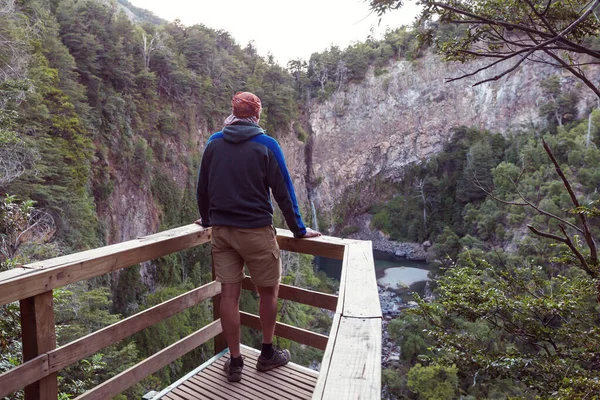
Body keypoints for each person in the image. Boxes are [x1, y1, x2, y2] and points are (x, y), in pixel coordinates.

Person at [196, 91, 321, 382]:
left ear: (234, 113)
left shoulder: (214, 142)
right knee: (268, 291)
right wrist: (299, 230)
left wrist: (206, 219)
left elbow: (203, 187)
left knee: (229, 294)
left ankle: (236, 361)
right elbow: (284, 192)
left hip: (222, 231)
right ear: (257, 114)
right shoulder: (267, 145)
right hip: (256, 232)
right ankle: (266, 355)